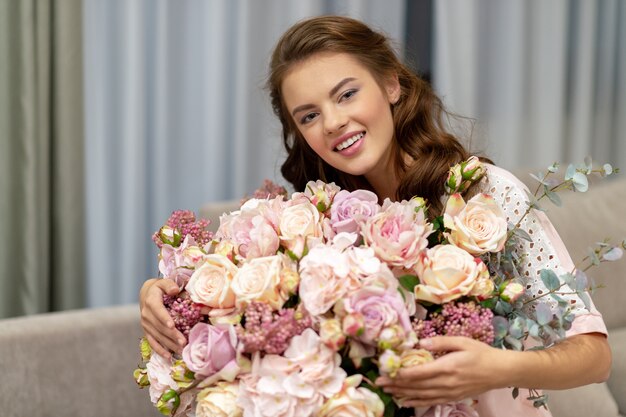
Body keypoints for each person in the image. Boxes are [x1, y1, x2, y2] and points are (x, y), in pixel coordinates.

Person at [139, 15, 611, 416]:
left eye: (346, 95)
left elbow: (594, 356)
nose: (332, 122)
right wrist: (166, 289)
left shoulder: (484, 195)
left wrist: (499, 367)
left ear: (391, 84)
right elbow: (251, 312)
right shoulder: (310, 223)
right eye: (308, 116)